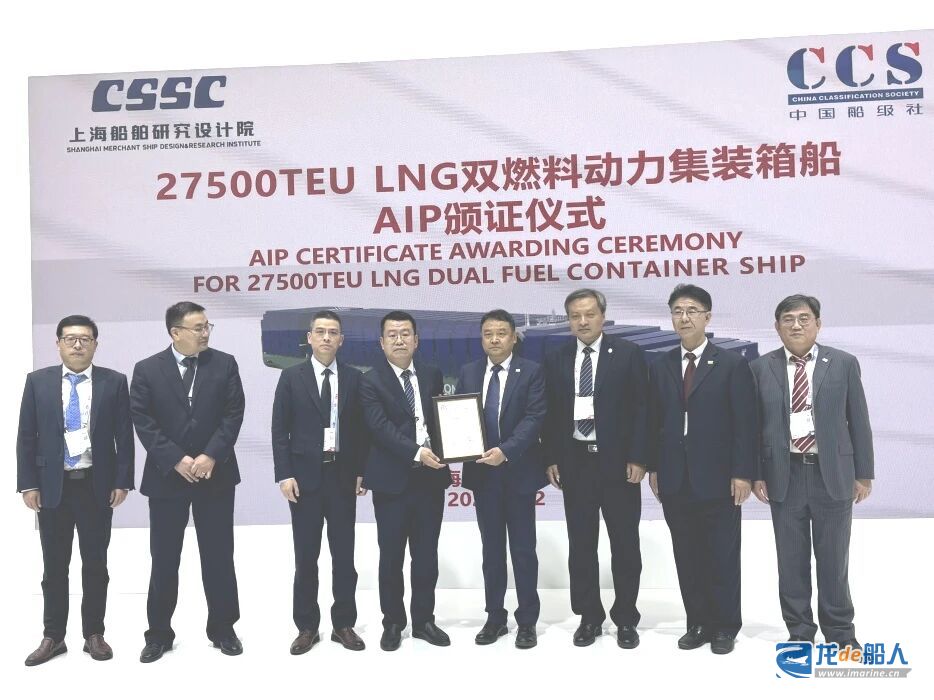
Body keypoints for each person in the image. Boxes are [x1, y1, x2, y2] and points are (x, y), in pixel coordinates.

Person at [750, 294, 873, 649]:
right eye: (788, 319)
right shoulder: (760, 368)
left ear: (818, 324)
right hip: (783, 474)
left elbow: (859, 420)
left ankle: (840, 632)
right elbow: (752, 427)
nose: (796, 325)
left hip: (832, 474)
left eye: (804, 318)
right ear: (777, 327)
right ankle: (800, 631)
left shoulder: (843, 363)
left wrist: (863, 473)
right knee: (791, 561)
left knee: (834, 559)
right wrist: (756, 473)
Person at [130, 301, 245, 662]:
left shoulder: (225, 363)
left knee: (219, 556)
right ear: (175, 332)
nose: (205, 332)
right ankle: (158, 634)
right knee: (164, 558)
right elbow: (143, 419)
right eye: (198, 328)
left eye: (207, 326)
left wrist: (211, 455)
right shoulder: (147, 369)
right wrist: (175, 458)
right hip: (168, 478)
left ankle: (223, 628)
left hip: (215, 475)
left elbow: (233, 413)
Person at [647, 284, 757, 655]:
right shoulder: (660, 364)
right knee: (687, 554)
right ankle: (697, 623)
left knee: (722, 555)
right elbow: (654, 421)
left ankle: (725, 626)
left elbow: (745, 423)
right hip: (674, 478)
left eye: (692, 310)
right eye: (677, 311)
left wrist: (742, 472)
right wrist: (654, 467)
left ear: (707, 317)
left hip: (720, 478)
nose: (684, 318)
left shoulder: (731, 364)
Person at [17, 315, 134, 666]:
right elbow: (26, 436)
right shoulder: (38, 382)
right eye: (70, 338)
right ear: (58, 344)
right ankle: (53, 636)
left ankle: (94, 634)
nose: (78, 344)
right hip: (52, 488)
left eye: (85, 338)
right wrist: (28, 483)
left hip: (96, 486)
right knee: (54, 566)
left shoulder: (114, 382)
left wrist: (122, 480)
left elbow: (124, 435)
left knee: (96, 564)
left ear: (96, 344)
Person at [543, 288, 648, 649]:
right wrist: (551, 458)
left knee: (625, 544)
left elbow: (642, 409)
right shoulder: (556, 358)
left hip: (619, 464)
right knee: (582, 545)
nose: (583, 321)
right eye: (575, 316)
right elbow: (549, 414)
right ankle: (589, 616)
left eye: (589, 314)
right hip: (576, 463)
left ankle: (626, 618)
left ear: (603, 316)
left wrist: (639, 458)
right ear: (568, 320)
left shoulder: (629, 354)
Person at [272, 310, 369, 654]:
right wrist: (284, 474)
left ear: (341, 340)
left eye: (333, 332)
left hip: (342, 479)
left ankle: (343, 624)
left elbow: (361, 431)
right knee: (306, 558)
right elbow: (279, 429)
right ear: (309, 338)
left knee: (344, 557)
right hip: (304, 481)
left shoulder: (354, 378)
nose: (327, 337)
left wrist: (361, 471)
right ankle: (306, 627)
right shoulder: (291, 377)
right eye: (321, 332)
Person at [360, 311, 451, 651]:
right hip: (391, 482)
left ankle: (424, 620)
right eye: (392, 334)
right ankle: (393, 622)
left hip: (430, 480)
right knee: (391, 557)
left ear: (416, 339)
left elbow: (441, 420)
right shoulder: (370, 381)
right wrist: (417, 452)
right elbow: (379, 428)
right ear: (382, 342)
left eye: (405, 334)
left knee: (426, 556)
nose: (399, 340)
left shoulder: (432, 373)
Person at [455, 309, 546, 649]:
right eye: (488, 333)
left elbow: (535, 417)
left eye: (501, 333)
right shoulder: (469, 372)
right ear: (482, 338)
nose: (494, 339)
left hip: (518, 473)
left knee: (523, 551)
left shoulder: (532, 371)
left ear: (513, 337)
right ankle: (495, 617)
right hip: (483, 475)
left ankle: (527, 621)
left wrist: (505, 451)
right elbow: (458, 417)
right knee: (491, 551)